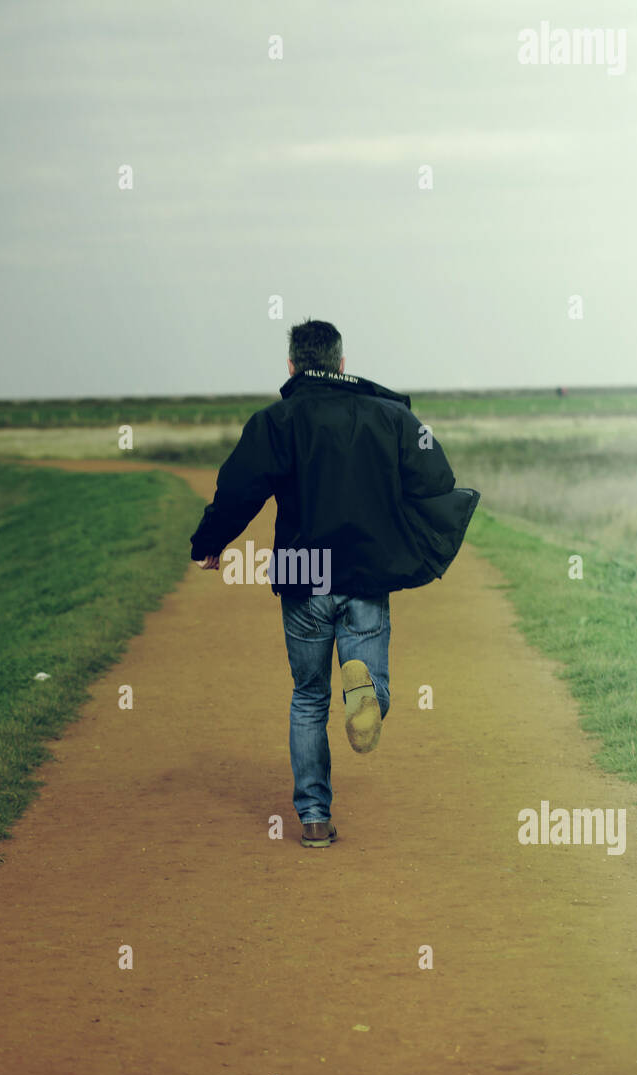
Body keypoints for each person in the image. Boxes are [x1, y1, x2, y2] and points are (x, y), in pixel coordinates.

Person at [190, 319, 480, 847]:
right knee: (369, 687)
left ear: (292, 365)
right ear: (342, 363)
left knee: (307, 696)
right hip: (365, 570)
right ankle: (366, 693)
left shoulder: (275, 421)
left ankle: (314, 819)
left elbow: (238, 488)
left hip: (303, 572)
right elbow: (436, 479)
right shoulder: (390, 417)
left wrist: (210, 541)